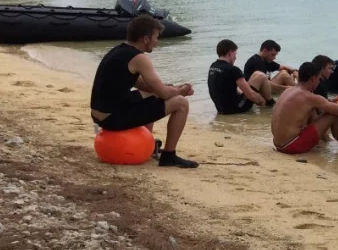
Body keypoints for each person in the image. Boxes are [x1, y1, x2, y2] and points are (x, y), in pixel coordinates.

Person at [89, 15, 197, 168]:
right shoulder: (139, 58)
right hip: (112, 119)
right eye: (156, 37)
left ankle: (148, 145)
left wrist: (170, 87)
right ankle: (169, 155)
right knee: (181, 103)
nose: (157, 41)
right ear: (146, 38)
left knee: (150, 95)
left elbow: (144, 85)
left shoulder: (119, 51)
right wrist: (180, 91)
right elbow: (164, 94)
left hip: (100, 113)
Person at [270, 62, 338, 154]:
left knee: (312, 111)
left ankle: (329, 141)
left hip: (278, 144)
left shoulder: (288, 90)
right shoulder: (309, 97)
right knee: (333, 115)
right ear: (313, 79)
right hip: (291, 146)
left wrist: (330, 103)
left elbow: (306, 107)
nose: (319, 81)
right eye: (319, 79)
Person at [208, 39, 269, 114]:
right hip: (235, 109)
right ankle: (270, 104)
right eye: (235, 54)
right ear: (230, 53)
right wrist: (262, 101)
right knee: (260, 75)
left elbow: (224, 89)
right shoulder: (233, 70)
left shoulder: (213, 66)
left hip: (221, 109)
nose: (235, 57)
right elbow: (251, 95)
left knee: (254, 78)